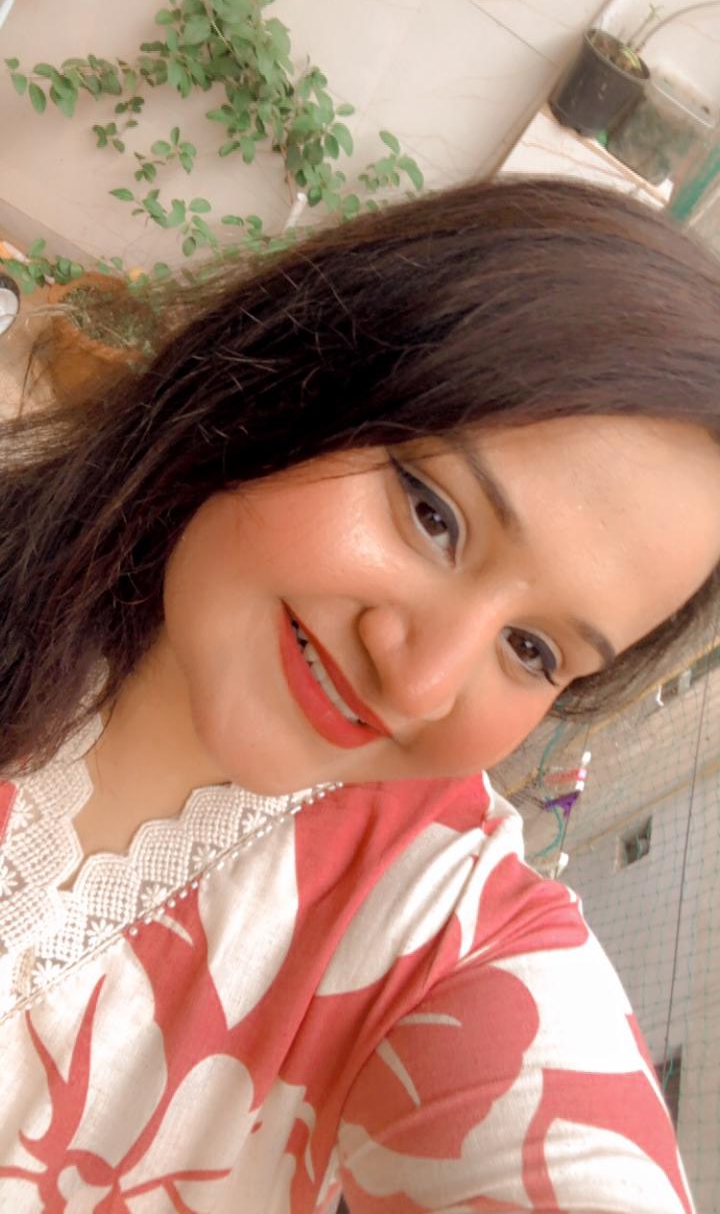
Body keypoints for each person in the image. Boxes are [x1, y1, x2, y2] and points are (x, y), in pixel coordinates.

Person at [0, 177, 717, 1213]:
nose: (418, 681)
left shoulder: (438, 930)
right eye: (433, 513)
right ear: (299, 371)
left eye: (530, 647)